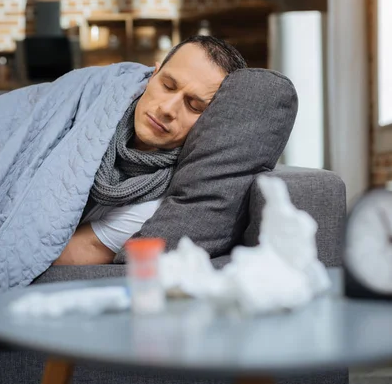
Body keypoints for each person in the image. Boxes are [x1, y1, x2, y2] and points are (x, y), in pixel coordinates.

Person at [52, 35, 247, 266]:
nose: (167, 108)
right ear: (153, 75)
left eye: (194, 106)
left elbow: (58, 254)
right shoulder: (97, 107)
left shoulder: (154, 206)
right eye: (167, 85)